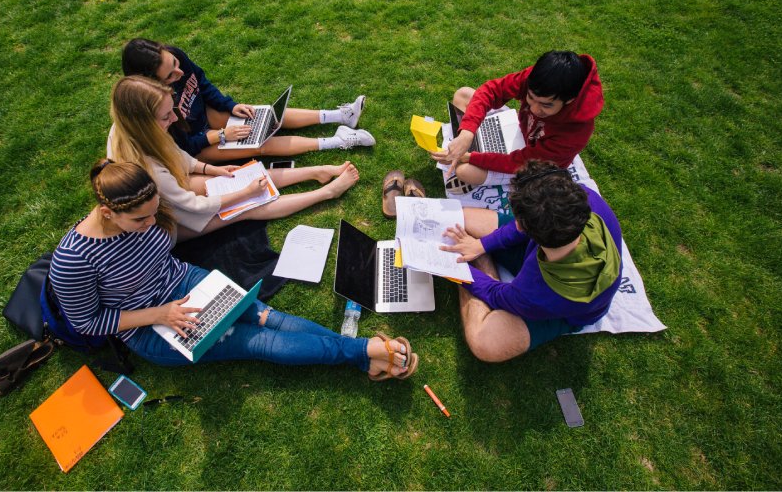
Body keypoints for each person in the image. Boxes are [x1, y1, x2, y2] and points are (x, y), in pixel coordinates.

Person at [48, 160, 419, 376]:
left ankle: (362, 355)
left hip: (186, 282)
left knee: (265, 315)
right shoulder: (74, 260)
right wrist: (160, 313)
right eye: (140, 220)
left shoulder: (145, 212)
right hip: (149, 326)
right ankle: (361, 353)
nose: (151, 224)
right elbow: (87, 322)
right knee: (259, 341)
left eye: (153, 213)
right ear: (108, 214)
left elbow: (165, 255)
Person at [107, 75, 360, 241]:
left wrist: (210, 169)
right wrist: (244, 194)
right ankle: (327, 192)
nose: (174, 119)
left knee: (238, 176)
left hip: (174, 196)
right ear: (143, 122)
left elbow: (179, 156)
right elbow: (193, 206)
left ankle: (318, 171)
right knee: (249, 206)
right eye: (166, 117)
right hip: (169, 225)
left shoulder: (127, 129)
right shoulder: (147, 169)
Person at [440, 160, 623, 361]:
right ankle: (479, 255)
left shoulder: (536, 291)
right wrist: (481, 245)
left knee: (483, 344)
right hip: (547, 254)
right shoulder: (584, 199)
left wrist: (453, 268)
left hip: (563, 310)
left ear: (521, 226)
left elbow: (497, 295)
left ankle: (480, 263)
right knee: (460, 219)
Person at [121, 38, 375, 162]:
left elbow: (200, 82)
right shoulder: (150, 109)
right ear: (149, 83)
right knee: (258, 145)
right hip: (194, 147)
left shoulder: (174, 57)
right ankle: (338, 141)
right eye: (169, 76)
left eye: (176, 64)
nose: (179, 73)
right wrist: (221, 136)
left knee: (260, 115)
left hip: (204, 118)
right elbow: (183, 147)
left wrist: (230, 106)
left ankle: (341, 116)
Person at [431, 50, 604, 187]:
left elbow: (523, 161)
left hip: (535, 164)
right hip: (520, 132)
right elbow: (492, 90)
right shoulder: (537, 79)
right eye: (530, 98)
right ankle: (464, 146)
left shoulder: (576, 131)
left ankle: (464, 154)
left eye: (546, 105)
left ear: (570, 100)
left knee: (464, 171)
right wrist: (467, 132)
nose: (535, 109)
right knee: (463, 94)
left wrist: (471, 157)